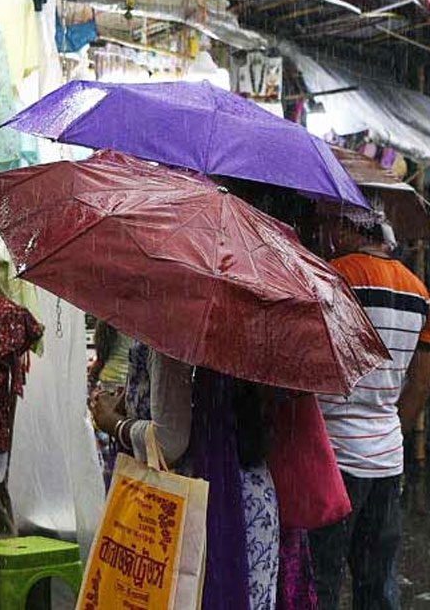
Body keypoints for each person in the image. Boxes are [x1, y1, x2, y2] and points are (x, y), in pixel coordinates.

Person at [91, 344, 280, 610]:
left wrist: (113, 422)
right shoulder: (236, 332)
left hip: (209, 498)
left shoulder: (168, 335)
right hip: (247, 489)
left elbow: (170, 441)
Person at [308, 210, 430, 610]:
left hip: (333, 456)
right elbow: (421, 383)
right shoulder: (419, 292)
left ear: (347, 230)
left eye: (333, 228)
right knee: (377, 585)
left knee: (322, 579)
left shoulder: (332, 277)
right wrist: (392, 430)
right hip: (387, 457)